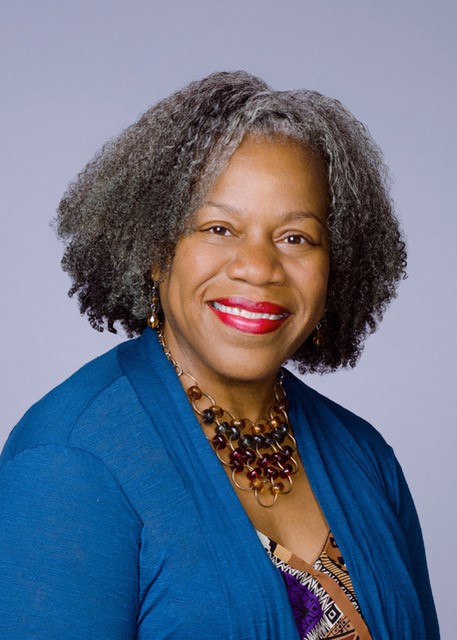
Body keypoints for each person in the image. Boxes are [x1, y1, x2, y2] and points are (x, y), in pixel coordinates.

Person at [0, 71, 439, 639]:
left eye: (296, 237)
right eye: (219, 228)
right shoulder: (68, 463)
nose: (258, 267)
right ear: (155, 249)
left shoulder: (365, 458)